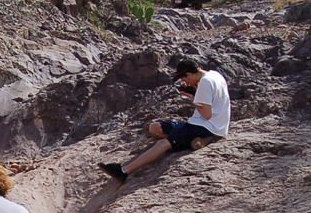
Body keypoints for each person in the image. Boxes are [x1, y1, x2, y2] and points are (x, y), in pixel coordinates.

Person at [98, 58, 230, 183]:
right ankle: (189, 141)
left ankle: (123, 171)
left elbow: (206, 114)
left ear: (189, 74)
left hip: (206, 126)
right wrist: (196, 93)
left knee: (162, 144)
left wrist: (192, 97)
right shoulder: (214, 74)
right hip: (210, 123)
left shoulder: (205, 83)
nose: (186, 83)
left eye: (184, 79)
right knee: (154, 128)